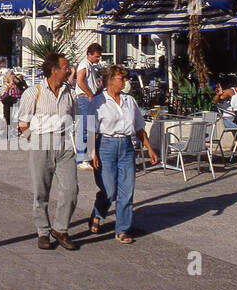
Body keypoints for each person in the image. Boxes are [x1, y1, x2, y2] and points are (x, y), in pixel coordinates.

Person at [15, 52, 80, 252]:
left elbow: (76, 117)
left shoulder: (69, 92)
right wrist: (33, 140)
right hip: (41, 142)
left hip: (64, 143)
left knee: (71, 190)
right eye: (65, 67)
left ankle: (60, 229)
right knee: (41, 192)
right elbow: (22, 122)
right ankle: (43, 232)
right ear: (54, 70)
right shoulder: (34, 93)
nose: (69, 70)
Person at [89, 64, 160, 244]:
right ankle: (98, 212)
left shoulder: (130, 101)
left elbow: (138, 127)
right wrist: (92, 152)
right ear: (111, 80)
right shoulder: (98, 101)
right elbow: (89, 129)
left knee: (126, 191)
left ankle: (122, 229)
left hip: (127, 146)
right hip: (105, 145)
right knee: (109, 190)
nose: (126, 81)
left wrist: (149, 149)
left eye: (126, 78)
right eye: (123, 78)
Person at [74, 43, 104, 171]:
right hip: (85, 98)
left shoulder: (90, 65)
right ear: (89, 54)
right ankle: (81, 158)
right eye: (97, 56)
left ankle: (88, 157)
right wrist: (90, 94)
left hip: (89, 98)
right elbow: (79, 81)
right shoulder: (84, 64)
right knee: (85, 128)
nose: (98, 59)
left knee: (89, 127)